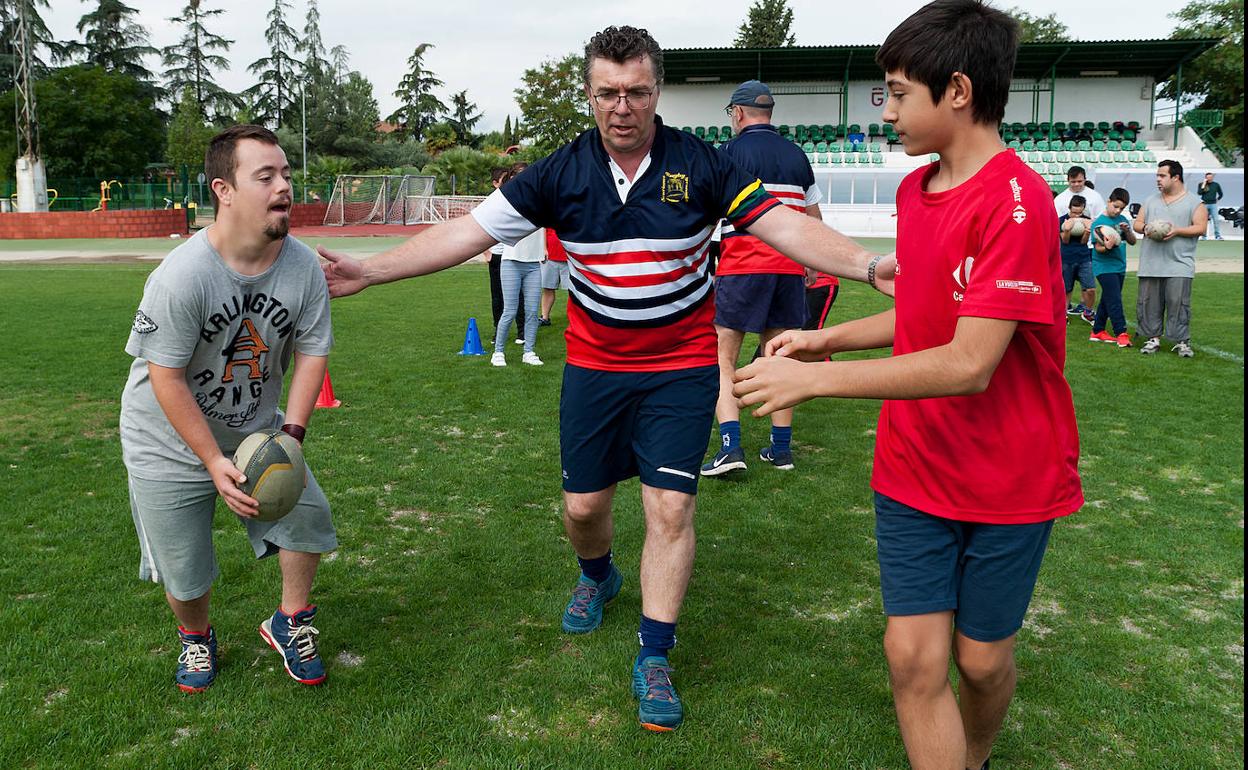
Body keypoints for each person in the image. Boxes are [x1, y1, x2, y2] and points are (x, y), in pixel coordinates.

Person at [319, 24, 893, 732]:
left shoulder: (703, 164)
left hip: (681, 366)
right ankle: (599, 577)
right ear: (589, 96)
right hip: (594, 365)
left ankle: (655, 654)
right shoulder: (558, 174)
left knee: (670, 510)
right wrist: (369, 270)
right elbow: (468, 233)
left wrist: (869, 266)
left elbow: (784, 226)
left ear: (657, 92)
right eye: (608, 93)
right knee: (584, 511)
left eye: (637, 92)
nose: (623, 106)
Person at [732, 2, 1083, 767]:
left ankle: (976, 755)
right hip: (914, 469)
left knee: (982, 663)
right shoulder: (913, 194)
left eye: (896, 92)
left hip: (1010, 476)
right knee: (912, 659)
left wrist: (815, 384)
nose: (885, 111)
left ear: (956, 90)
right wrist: (825, 338)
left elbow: (968, 362)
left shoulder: (1016, 203)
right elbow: (926, 317)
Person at [120, 125, 337, 693]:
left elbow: (313, 349)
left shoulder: (303, 267)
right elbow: (165, 377)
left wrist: (290, 435)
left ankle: (290, 622)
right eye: (265, 176)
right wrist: (212, 462)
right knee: (184, 571)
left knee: (306, 517)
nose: (283, 186)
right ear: (225, 190)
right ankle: (197, 637)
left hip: (254, 430)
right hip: (167, 439)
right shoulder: (182, 275)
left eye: (286, 174)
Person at [700, 79, 825, 477]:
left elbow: (706, 217)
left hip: (742, 267)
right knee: (781, 359)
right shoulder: (797, 156)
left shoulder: (729, 152)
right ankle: (781, 450)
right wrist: (810, 266)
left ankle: (729, 447)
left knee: (722, 360)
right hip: (788, 269)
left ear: (737, 113)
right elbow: (813, 220)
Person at [1133, 160, 1207, 358]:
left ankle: (1182, 342)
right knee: (1149, 304)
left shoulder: (1194, 202)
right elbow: (1137, 224)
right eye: (1157, 175)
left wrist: (1177, 231)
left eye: (1162, 175)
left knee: (1178, 303)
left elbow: (1201, 227)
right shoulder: (1150, 201)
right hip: (1151, 263)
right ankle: (1153, 339)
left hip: (1179, 264)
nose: (1158, 179)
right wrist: (1146, 228)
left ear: (1176, 177)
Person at [491, 163, 545, 367]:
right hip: (512, 262)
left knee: (532, 312)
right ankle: (498, 352)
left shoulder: (541, 200)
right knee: (510, 310)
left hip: (533, 263)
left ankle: (528, 352)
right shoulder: (508, 201)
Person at [1087, 188, 1137, 347]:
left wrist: (1127, 231)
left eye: (1121, 208)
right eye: (1115, 206)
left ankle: (1097, 331)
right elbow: (1098, 249)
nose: (1117, 210)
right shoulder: (1099, 223)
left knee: (1108, 298)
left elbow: (1132, 241)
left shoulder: (1122, 220)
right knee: (1114, 299)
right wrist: (1107, 246)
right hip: (1103, 267)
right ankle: (1121, 333)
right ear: (1109, 201)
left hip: (1119, 266)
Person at [1058, 194, 1095, 324]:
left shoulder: (1086, 220)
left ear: (1083, 209)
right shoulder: (1062, 220)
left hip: (1084, 258)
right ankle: (1063, 315)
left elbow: (1084, 242)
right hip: (1066, 259)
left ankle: (1088, 313)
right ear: (1069, 208)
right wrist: (1067, 230)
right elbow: (1065, 241)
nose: (1076, 216)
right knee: (1067, 290)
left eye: (1079, 213)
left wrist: (1087, 231)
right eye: (1074, 213)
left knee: (1090, 288)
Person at [483, 167, 509, 339]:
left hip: (515, 255)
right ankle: (498, 331)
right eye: (504, 181)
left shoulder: (517, 199)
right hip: (498, 256)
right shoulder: (490, 203)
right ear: (495, 183)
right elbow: (480, 227)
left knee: (519, 296)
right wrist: (487, 253)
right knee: (498, 295)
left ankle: (522, 333)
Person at [538, 228, 570, 326]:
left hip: (570, 257)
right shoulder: (548, 213)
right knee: (547, 288)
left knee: (573, 292)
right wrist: (543, 249)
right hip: (550, 255)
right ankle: (545, 318)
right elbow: (543, 229)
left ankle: (576, 318)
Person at [1197, 171, 1224, 240]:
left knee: (1216, 220)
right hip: (1204, 204)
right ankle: (1204, 236)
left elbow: (1221, 194)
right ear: (1205, 178)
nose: (1209, 179)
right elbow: (1199, 193)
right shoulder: (1201, 184)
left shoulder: (1216, 185)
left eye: (1211, 177)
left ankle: (1217, 236)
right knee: (1204, 221)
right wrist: (1204, 184)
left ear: (1212, 177)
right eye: (1208, 177)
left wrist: (1218, 199)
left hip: (1213, 204)